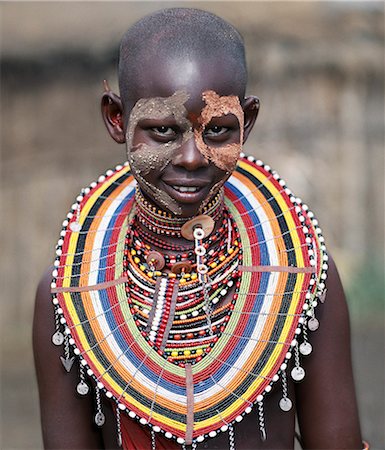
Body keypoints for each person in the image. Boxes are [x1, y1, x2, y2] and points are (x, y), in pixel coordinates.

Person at [33, 8, 365, 450]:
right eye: (162, 130)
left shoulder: (300, 276)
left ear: (248, 121)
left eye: (219, 130)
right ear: (116, 119)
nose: (192, 157)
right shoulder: (71, 297)